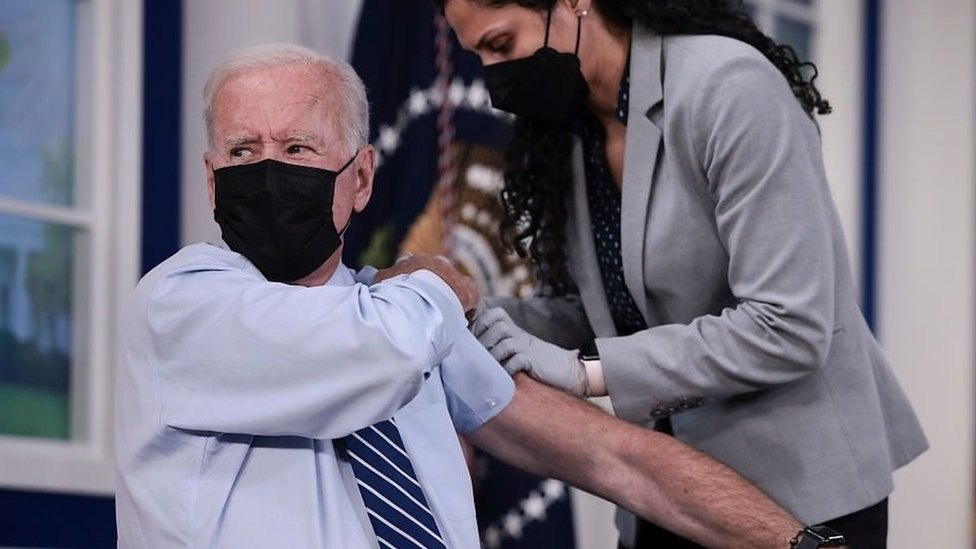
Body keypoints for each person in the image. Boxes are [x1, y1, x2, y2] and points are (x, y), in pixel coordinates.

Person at [112, 43, 837, 549]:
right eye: (242, 151)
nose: (268, 171)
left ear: (361, 179)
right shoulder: (183, 303)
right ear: (211, 179)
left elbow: (616, 459)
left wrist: (799, 542)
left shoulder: (396, 313)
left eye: (297, 148)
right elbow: (376, 351)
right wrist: (436, 277)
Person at [438, 0, 928, 548]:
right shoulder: (572, 128)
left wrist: (584, 372)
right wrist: (461, 312)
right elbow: (604, 310)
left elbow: (788, 327)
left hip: (797, 493)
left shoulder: (729, 86)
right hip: (665, 492)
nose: (493, 75)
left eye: (501, 45)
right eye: (478, 55)